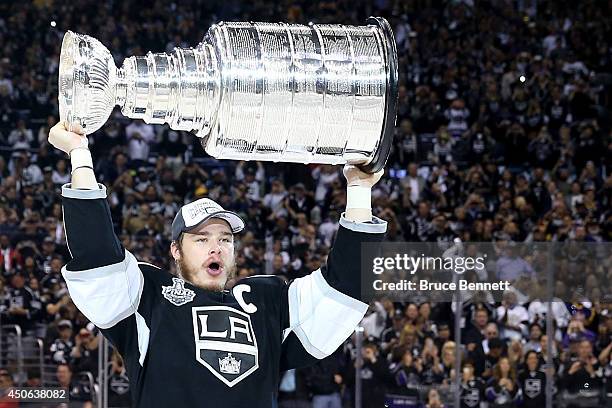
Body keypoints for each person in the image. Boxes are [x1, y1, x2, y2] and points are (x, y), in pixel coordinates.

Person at [48, 122, 387, 407]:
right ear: (176, 251)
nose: (217, 248)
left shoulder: (267, 299)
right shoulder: (148, 296)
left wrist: (358, 191)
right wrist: (80, 154)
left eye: (225, 239)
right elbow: (97, 255)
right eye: (201, 239)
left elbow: (344, 291)